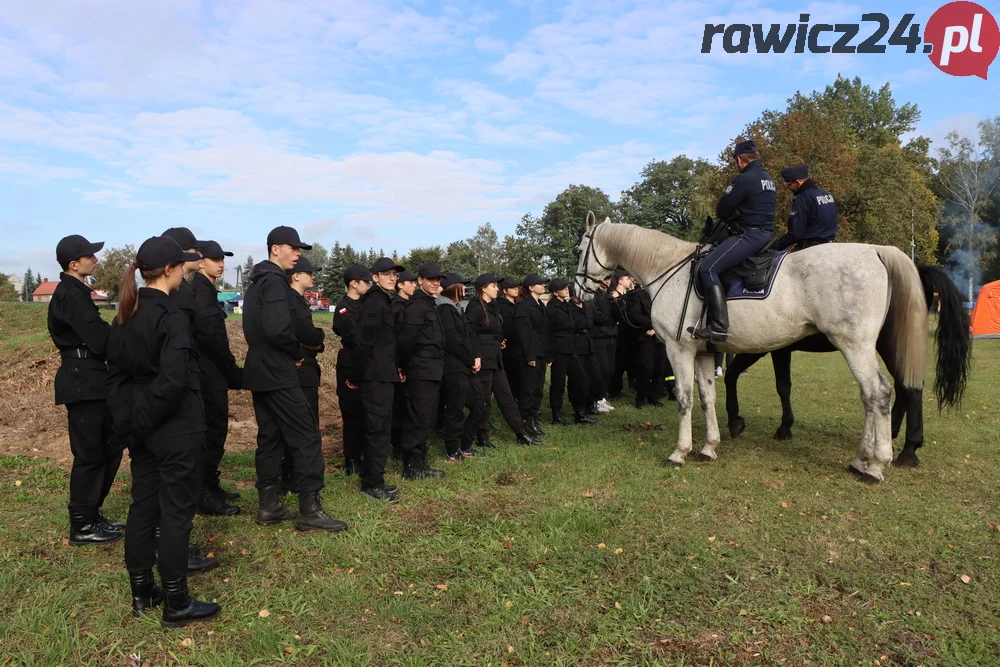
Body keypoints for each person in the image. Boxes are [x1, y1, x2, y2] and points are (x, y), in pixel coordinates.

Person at [107, 235, 219, 627]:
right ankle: (176, 602)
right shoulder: (170, 316)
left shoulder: (125, 313)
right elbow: (173, 382)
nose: (187, 268)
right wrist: (148, 420)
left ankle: (142, 592)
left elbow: (116, 379)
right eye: (183, 265)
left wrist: (134, 423)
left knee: (143, 508)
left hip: (141, 429)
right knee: (174, 515)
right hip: (173, 428)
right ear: (169, 270)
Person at [242, 226, 346, 532]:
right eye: (294, 248)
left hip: (259, 369)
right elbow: (277, 329)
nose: (298, 254)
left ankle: (269, 506)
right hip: (277, 371)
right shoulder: (274, 282)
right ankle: (309, 510)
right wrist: (294, 352)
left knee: (270, 437)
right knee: (306, 436)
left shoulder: (257, 282)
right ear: (276, 248)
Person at [48, 235, 123, 546]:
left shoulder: (79, 292)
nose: (96, 259)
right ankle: (81, 525)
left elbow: (96, 334)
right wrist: (120, 330)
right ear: (73, 264)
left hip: (93, 377)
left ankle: (92, 515)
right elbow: (99, 338)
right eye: (90, 256)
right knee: (90, 455)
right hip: (82, 381)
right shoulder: (70, 295)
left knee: (110, 447)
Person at [690, 140, 776, 343]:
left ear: (739, 160)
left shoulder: (743, 179)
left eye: (735, 162)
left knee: (707, 269)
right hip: (766, 234)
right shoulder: (767, 178)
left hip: (749, 236)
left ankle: (718, 327)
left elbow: (721, 210)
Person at [190, 240, 243, 517]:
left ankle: (210, 484)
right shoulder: (199, 291)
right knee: (211, 433)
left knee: (215, 432)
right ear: (200, 262)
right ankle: (204, 494)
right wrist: (233, 372)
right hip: (207, 376)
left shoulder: (207, 290)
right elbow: (213, 339)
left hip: (211, 374)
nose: (221, 263)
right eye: (215, 259)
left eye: (222, 258)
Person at [350, 257, 405, 502]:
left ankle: (376, 479)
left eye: (395, 274)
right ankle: (371, 483)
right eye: (387, 274)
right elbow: (363, 343)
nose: (393, 278)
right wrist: (357, 375)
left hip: (384, 375)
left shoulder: (383, 300)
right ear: (375, 277)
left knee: (382, 428)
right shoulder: (374, 303)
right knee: (377, 429)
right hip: (374, 377)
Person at [465, 274, 540, 446]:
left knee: (506, 397)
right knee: (484, 400)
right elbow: (469, 334)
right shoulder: (475, 307)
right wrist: (476, 355)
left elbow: (494, 329)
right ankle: (482, 436)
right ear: (484, 288)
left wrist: (498, 340)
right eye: (493, 286)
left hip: (496, 358)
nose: (497, 289)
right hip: (483, 360)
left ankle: (521, 432)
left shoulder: (493, 307)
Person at [396, 263, 447, 479]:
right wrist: (404, 366)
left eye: (438, 280)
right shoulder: (417, 306)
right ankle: (412, 467)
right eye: (430, 279)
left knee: (427, 418)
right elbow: (406, 341)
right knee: (419, 418)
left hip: (432, 369)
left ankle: (420, 463)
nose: (435, 283)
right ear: (420, 280)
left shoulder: (429, 304)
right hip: (420, 370)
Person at [437, 273, 488, 461]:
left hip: (467, 365)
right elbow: (452, 341)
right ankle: (452, 450)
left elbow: (470, 336)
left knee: (479, 404)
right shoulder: (444, 309)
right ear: (452, 288)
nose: (465, 288)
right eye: (462, 285)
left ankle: (466, 445)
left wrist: (477, 356)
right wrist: (469, 359)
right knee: (455, 409)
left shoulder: (458, 308)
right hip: (454, 368)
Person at [332, 264, 371, 477]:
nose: (369, 285)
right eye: (366, 282)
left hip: (368, 363)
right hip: (351, 362)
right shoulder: (343, 308)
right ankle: (352, 459)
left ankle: (365, 454)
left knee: (367, 413)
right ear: (353, 283)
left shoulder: (367, 304)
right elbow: (355, 336)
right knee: (352, 415)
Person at [547, 280, 598, 425]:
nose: (567, 290)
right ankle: (556, 415)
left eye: (566, 288)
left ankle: (579, 413)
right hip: (558, 349)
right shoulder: (552, 308)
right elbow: (547, 331)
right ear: (555, 292)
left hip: (571, 348)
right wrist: (549, 354)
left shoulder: (566, 305)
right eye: (562, 288)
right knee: (558, 384)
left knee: (581, 379)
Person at [286, 256, 325, 429]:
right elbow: (308, 334)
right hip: (301, 367)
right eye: (309, 273)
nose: (312, 276)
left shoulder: (298, 299)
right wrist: (320, 336)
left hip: (304, 366)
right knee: (306, 421)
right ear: (295, 276)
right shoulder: (293, 300)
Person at [514, 274, 550, 437]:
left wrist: (548, 354)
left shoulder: (539, 304)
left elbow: (544, 332)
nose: (543, 286)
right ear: (530, 287)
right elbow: (524, 333)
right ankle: (525, 423)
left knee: (538, 389)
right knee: (528, 391)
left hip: (541, 352)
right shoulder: (524, 306)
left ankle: (533, 419)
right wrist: (530, 357)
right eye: (540, 284)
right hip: (531, 354)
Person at [773, 164, 838, 251]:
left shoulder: (802, 198)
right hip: (831, 244)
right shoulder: (826, 194)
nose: (788, 188)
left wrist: (776, 245)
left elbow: (795, 233)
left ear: (797, 182)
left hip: (810, 247)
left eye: (789, 185)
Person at [390, 269, 417, 458]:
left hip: (411, 362)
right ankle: (398, 446)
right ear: (400, 285)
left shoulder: (411, 305)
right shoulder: (397, 307)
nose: (414, 285)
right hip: (399, 364)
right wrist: (399, 365)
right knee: (399, 406)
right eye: (411, 282)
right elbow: (397, 338)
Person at [628, 283, 666, 409]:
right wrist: (651, 325)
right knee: (646, 368)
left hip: (660, 336)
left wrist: (656, 328)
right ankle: (641, 397)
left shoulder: (660, 291)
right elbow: (635, 315)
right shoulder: (636, 294)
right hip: (644, 336)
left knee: (659, 368)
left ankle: (654, 396)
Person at [588, 275, 618, 414]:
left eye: (608, 279)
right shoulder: (594, 295)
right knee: (602, 369)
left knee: (610, 370)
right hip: (599, 336)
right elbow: (597, 317)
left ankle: (601, 397)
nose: (606, 281)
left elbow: (620, 314)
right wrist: (612, 321)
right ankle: (596, 399)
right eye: (603, 279)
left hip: (612, 336)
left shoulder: (611, 294)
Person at [607, 270, 635, 400]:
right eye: (627, 279)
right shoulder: (614, 296)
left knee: (627, 360)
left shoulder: (626, 295)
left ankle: (624, 385)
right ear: (620, 281)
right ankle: (614, 389)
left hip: (628, 332)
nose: (629, 281)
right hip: (618, 333)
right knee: (618, 361)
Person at [496, 277, 521, 402]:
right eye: (513, 287)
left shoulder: (517, 305)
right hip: (507, 346)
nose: (516, 289)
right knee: (510, 375)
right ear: (505, 291)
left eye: (517, 287)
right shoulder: (501, 306)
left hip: (518, 346)